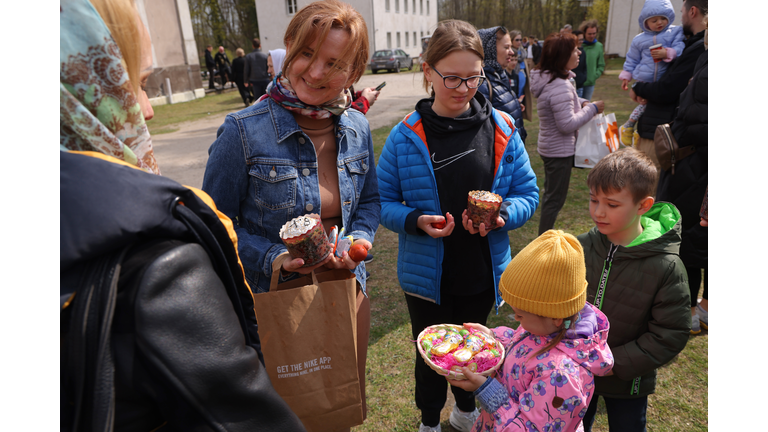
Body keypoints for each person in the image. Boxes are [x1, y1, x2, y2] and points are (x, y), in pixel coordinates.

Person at [60, 0, 306, 430]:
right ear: (84, 82)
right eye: (133, 83)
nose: (148, 108)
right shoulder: (156, 261)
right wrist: (273, 258)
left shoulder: (355, 126)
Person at [202, 0, 379, 423]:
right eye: (306, 54)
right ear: (287, 51)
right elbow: (213, 227)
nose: (316, 72)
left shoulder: (357, 128)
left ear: (353, 74)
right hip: (273, 303)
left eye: (335, 63)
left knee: (336, 409)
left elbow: (369, 202)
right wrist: (276, 258)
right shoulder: (243, 131)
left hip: (345, 291)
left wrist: (358, 242)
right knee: (283, 416)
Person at [377, 19, 539, 432]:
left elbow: (528, 194)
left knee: (473, 351)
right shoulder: (404, 136)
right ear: (428, 71)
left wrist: (503, 217)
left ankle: (466, 411)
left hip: (481, 270)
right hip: (426, 273)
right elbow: (382, 201)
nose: (463, 88)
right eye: (451, 77)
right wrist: (415, 220)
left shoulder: (502, 128)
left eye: (473, 77)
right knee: (430, 352)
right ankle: (429, 420)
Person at [448, 230, 614, 432]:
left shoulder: (561, 377)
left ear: (555, 316)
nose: (517, 320)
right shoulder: (546, 328)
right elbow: (523, 343)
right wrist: (493, 339)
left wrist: (489, 392)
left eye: (519, 316)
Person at [578, 148, 691, 432]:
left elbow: (670, 335)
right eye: (594, 200)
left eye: (612, 205)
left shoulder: (666, 266)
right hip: (576, 372)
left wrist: (614, 363)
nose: (598, 212)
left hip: (628, 382)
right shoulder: (581, 246)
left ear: (643, 205)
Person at [656, 19, 708, 334]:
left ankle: (692, 310)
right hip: (692, 165)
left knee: (691, 239)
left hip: (697, 166)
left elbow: (696, 115)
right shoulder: (704, 56)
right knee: (692, 238)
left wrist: (682, 130)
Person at [530, 32, 604, 235]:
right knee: (554, 199)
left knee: (552, 197)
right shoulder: (560, 85)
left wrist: (581, 102)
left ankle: (543, 237)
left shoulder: (553, 80)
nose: (579, 52)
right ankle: (542, 241)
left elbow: (562, 104)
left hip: (552, 148)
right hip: (558, 152)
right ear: (563, 56)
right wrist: (593, 109)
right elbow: (567, 124)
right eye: (574, 49)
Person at [630, 0, 707, 169]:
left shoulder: (699, 48)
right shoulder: (689, 43)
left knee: (645, 186)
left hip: (662, 133)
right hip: (658, 129)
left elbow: (668, 89)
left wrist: (638, 87)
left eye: (681, 12)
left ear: (692, 11)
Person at [618, 0, 686, 146]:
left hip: (663, 80)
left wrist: (668, 52)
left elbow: (680, 47)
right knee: (643, 104)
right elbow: (632, 59)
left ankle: (632, 129)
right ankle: (629, 127)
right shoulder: (639, 40)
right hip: (645, 79)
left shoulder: (675, 32)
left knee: (650, 107)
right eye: (654, 20)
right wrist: (626, 76)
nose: (659, 22)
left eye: (663, 18)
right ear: (645, 23)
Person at [477, 26, 527, 143]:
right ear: (490, 50)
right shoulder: (482, 83)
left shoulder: (500, 75)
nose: (511, 52)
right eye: (506, 47)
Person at [578, 19, 605, 101]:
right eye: (589, 34)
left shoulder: (599, 46)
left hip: (590, 83)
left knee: (586, 108)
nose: (592, 36)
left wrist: (595, 75)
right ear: (584, 33)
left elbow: (601, 64)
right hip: (578, 83)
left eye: (594, 33)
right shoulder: (578, 45)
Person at [244, 38, 270, 102]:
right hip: (265, 79)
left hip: (254, 80)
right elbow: (268, 67)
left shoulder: (248, 56)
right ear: (260, 45)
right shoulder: (265, 56)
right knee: (266, 97)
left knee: (257, 99)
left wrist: (245, 81)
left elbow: (246, 69)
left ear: (253, 46)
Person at [572, 30, 588, 96]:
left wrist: (583, 78)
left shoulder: (583, 52)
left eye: (582, 39)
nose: (581, 42)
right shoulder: (567, 52)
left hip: (579, 86)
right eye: (579, 40)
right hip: (570, 85)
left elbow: (584, 67)